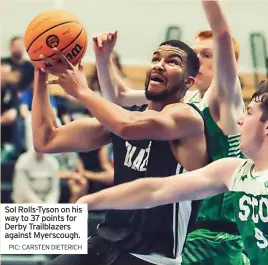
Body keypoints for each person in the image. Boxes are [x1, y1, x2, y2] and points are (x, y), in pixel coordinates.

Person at [33, 36, 209, 265]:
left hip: (151, 257)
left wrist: (82, 91)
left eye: (173, 61)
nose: (159, 64)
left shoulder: (188, 118)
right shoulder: (126, 116)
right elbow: (46, 140)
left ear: (188, 82)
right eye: (155, 58)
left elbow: (128, 127)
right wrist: (41, 74)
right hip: (105, 242)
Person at [97, 1, 247, 264]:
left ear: (228, 63)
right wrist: (103, 58)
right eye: (195, 54)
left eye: (207, 55)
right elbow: (119, 98)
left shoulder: (225, 100)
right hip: (182, 227)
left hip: (217, 234)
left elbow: (222, 33)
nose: (197, 60)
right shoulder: (184, 101)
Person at [78, 79, 268, 265]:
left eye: (249, 112)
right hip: (108, 244)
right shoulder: (232, 170)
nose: (240, 119)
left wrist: (82, 91)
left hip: (170, 253)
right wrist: (88, 201)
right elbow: (155, 190)